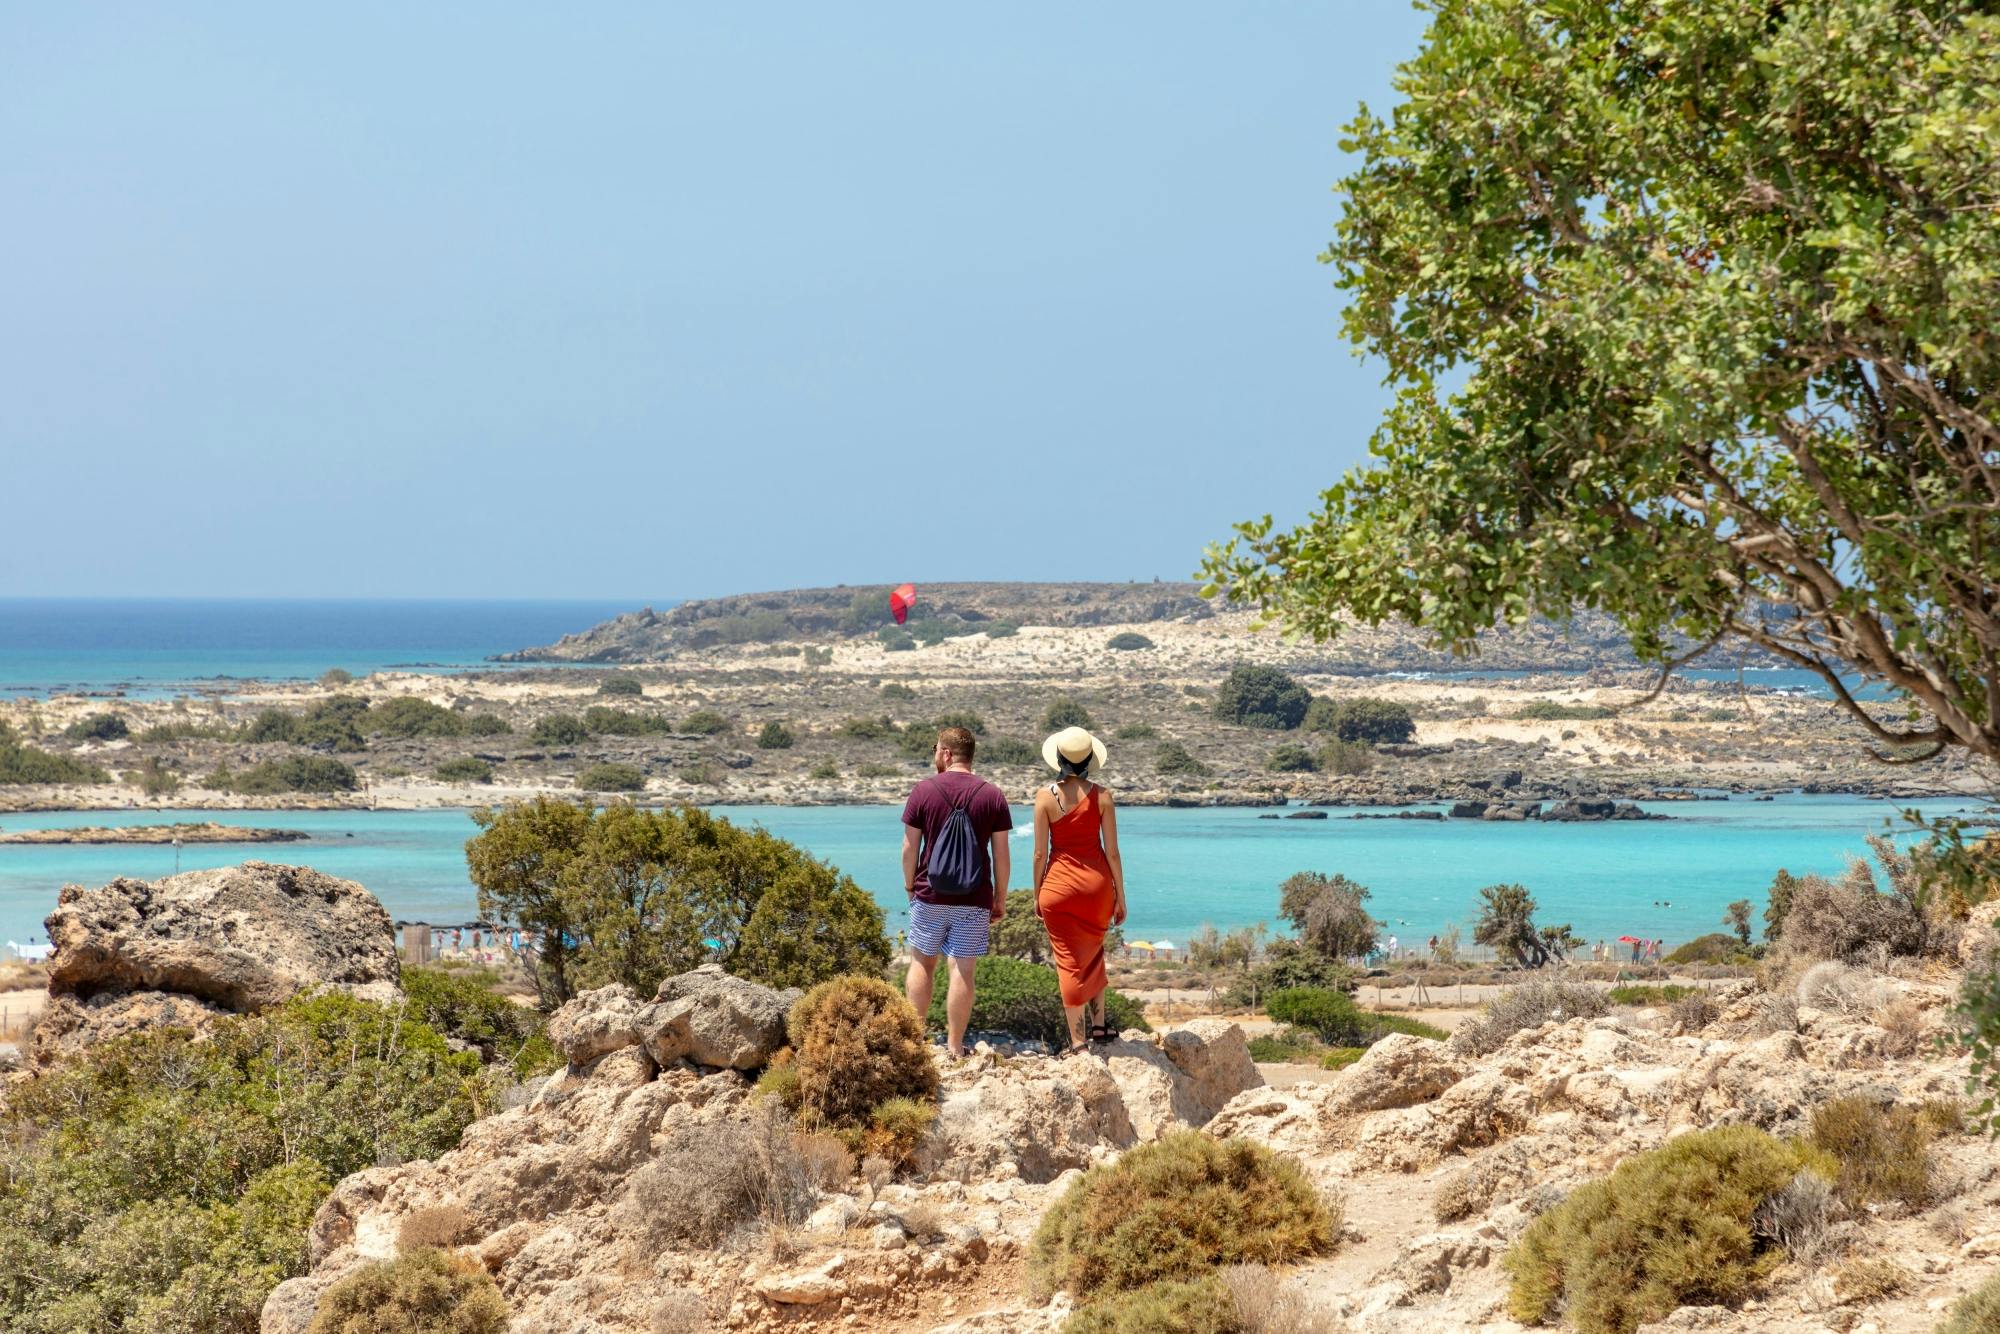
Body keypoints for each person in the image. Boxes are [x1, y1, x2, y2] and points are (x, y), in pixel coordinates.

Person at [901, 725, 1013, 1059]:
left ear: (947, 753)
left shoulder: (923, 791)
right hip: (974, 898)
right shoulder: (992, 795)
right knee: (962, 968)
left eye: (936, 748)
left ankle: (915, 1042)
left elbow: (910, 848)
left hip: (929, 894)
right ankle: (953, 1046)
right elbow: (1001, 855)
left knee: (922, 962)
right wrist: (999, 899)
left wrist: (910, 887)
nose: (935, 753)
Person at [1032, 726, 1126, 1055]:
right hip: (1097, 888)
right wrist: (1121, 896)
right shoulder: (1103, 796)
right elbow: (1112, 852)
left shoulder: (1045, 797)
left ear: (1058, 759)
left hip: (1057, 889)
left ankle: (1078, 1041)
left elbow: (1040, 854)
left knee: (1068, 962)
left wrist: (1036, 894)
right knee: (1095, 951)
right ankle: (1100, 1027)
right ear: (1090, 760)